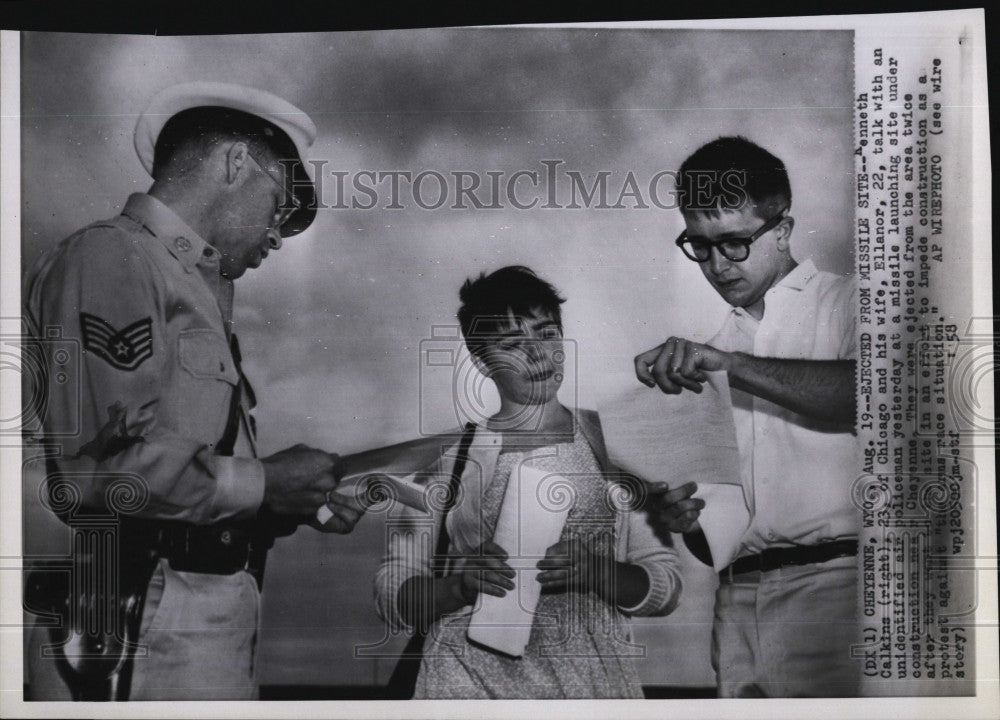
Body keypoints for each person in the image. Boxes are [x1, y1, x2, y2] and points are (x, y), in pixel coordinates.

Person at [23, 81, 366, 700]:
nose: (277, 236)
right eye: (281, 205)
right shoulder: (113, 257)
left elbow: (189, 464)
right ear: (236, 164)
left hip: (191, 611)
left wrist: (285, 503)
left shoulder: (191, 288)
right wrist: (266, 483)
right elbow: (98, 473)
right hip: (139, 615)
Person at [375, 266, 682, 699]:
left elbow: (665, 585)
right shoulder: (447, 461)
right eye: (513, 345)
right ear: (482, 361)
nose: (539, 355)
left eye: (547, 333)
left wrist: (596, 572)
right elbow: (393, 595)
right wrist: (457, 587)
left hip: (592, 689)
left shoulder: (614, 443)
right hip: (466, 684)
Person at [634, 136, 859, 697]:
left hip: (842, 591)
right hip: (733, 603)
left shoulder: (854, 302)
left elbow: (872, 395)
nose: (715, 264)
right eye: (699, 245)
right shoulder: (707, 353)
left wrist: (731, 365)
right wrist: (687, 520)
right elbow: (718, 541)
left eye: (734, 242)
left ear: (782, 228)